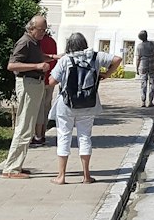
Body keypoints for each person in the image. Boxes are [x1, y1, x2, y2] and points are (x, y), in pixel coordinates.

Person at [50, 33, 122, 184]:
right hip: (88, 104)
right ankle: (86, 176)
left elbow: (52, 81)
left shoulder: (65, 60)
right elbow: (117, 59)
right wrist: (106, 74)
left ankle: (61, 176)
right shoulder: (95, 56)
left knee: (64, 136)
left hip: (67, 104)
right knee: (85, 137)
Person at [1, 15, 52, 178]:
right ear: (31, 28)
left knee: (28, 127)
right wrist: (37, 66)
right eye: (41, 29)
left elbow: (38, 56)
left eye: (45, 29)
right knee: (24, 127)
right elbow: (12, 65)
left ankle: (17, 165)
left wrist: (53, 58)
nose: (44, 32)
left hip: (35, 84)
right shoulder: (24, 42)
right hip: (28, 84)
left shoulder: (34, 42)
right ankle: (11, 168)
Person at [32, 25, 59, 146]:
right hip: (51, 79)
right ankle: (43, 133)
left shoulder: (37, 42)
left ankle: (38, 136)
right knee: (46, 107)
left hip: (40, 78)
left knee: (38, 108)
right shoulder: (52, 41)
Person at [135, 30, 154, 107]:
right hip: (153, 64)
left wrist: (137, 68)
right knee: (152, 82)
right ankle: (150, 101)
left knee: (143, 83)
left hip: (143, 65)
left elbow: (138, 58)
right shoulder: (153, 44)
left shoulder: (139, 46)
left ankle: (143, 101)